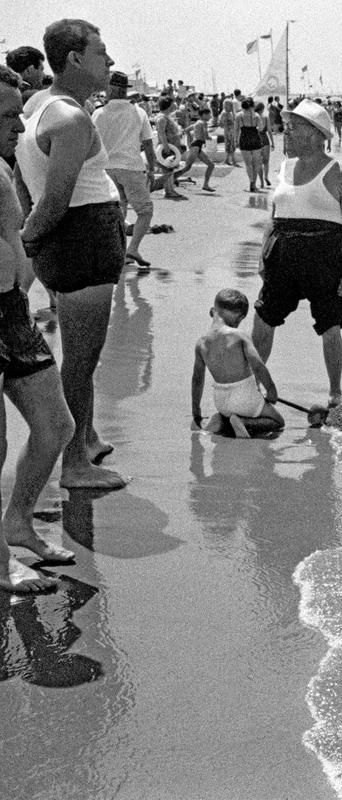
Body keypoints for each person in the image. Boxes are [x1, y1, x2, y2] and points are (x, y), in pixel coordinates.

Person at [14, 18, 127, 491]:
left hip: (70, 245)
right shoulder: (73, 119)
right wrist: (28, 244)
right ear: (76, 59)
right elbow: (55, 201)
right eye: (102, 53)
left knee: (77, 355)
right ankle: (75, 464)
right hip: (82, 244)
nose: (111, 62)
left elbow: (26, 184)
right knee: (81, 362)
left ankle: (87, 436)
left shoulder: (37, 105)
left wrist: (33, 245)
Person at [0, 65, 77, 592]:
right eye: (6, 114)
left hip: (11, 312)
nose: (17, 124)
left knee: (56, 426)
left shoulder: (1, 166)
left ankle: (18, 521)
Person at [252, 99, 342, 408]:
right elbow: (273, 217)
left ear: (315, 134)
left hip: (325, 258)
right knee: (263, 318)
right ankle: (253, 383)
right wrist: (263, 255)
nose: (285, 132)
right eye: (286, 127)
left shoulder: (337, 171)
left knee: (330, 326)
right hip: (282, 255)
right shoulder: (284, 167)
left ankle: (335, 392)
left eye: (292, 127)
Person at [191, 288, 283, 438]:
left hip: (220, 401)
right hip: (244, 397)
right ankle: (244, 422)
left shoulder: (201, 343)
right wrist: (271, 390)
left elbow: (197, 380)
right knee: (278, 421)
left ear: (212, 311)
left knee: (228, 414)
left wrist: (196, 411)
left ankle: (220, 419)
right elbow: (258, 366)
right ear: (239, 317)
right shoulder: (239, 336)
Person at [91, 70, 157, 268]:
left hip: (106, 169)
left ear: (110, 89)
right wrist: (152, 170)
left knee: (119, 212)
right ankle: (132, 248)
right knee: (145, 211)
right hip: (131, 167)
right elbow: (148, 145)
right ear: (124, 90)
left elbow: (91, 144)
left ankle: (120, 253)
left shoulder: (98, 113)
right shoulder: (138, 112)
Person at [176, 106, 216, 193]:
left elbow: (186, 130)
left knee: (210, 165)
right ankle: (171, 179)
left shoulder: (197, 122)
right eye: (209, 115)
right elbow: (205, 135)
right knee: (187, 167)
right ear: (204, 115)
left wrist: (190, 140)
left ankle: (205, 185)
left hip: (196, 146)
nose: (210, 117)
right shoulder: (203, 123)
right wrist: (211, 138)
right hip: (196, 146)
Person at [154, 95, 186, 200]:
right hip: (167, 148)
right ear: (168, 105)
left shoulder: (167, 117)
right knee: (168, 169)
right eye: (172, 104)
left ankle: (170, 189)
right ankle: (169, 190)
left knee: (170, 169)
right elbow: (161, 133)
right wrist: (166, 147)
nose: (175, 105)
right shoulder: (162, 118)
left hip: (172, 147)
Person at [233, 98, 264, 192]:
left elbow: (236, 129)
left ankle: (251, 181)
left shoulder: (239, 115)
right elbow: (261, 128)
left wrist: (236, 141)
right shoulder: (256, 115)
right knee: (256, 163)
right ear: (252, 106)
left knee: (248, 164)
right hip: (254, 137)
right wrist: (255, 130)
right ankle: (254, 183)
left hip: (244, 138)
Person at [219, 98, 239, 166]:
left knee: (230, 146)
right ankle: (233, 160)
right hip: (228, 132)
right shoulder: (224, 113)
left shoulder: (229, 113)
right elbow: (221, 124)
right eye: (230, 105)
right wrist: (227, 123)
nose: (231, 106)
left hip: (231, 131)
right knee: (230, 146)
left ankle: (227, 160)